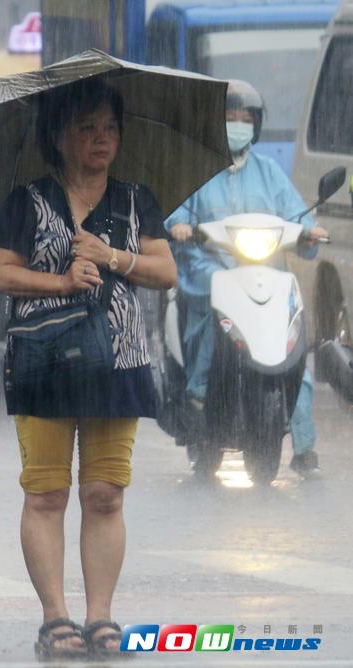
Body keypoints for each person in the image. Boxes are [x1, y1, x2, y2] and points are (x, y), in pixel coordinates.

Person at [0, 79, 177, 659]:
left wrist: (112, 256)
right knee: (46, 495)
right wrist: (63, 280)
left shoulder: (137, 199)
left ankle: (101, 617)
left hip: (118, 362)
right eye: (88, 128)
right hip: (42, 363)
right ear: (59, 136)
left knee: (105, 494)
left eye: (110, 128)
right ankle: (55, 618)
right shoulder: (28, 200)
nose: (101, 139)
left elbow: (165, 271)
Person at [163, 79, 328, 480]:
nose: (238, 124)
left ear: (255, 125)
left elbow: (297, 217)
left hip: (265, 277)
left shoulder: (269, 173)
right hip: (208, 271)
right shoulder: (196, 169)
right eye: (229, 117)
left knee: (293, 346)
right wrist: (181, 226)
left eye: (245, 118)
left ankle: (303, 443)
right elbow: (175, 214)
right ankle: (199, 395)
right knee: (210, 312)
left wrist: (310, 231)